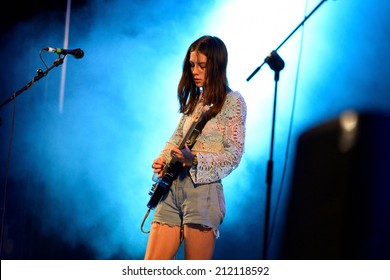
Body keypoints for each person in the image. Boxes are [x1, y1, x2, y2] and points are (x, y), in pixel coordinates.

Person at [144, 35, 247, 260]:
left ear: (217, 65)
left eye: (202, 65)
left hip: (203, 192)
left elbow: (234, 155)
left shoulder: (233, 101)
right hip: (172, 188)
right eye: (192, 65)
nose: (195, 70)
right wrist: (162, 159)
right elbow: (176, 138)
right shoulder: (194, 102)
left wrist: (195, 159)